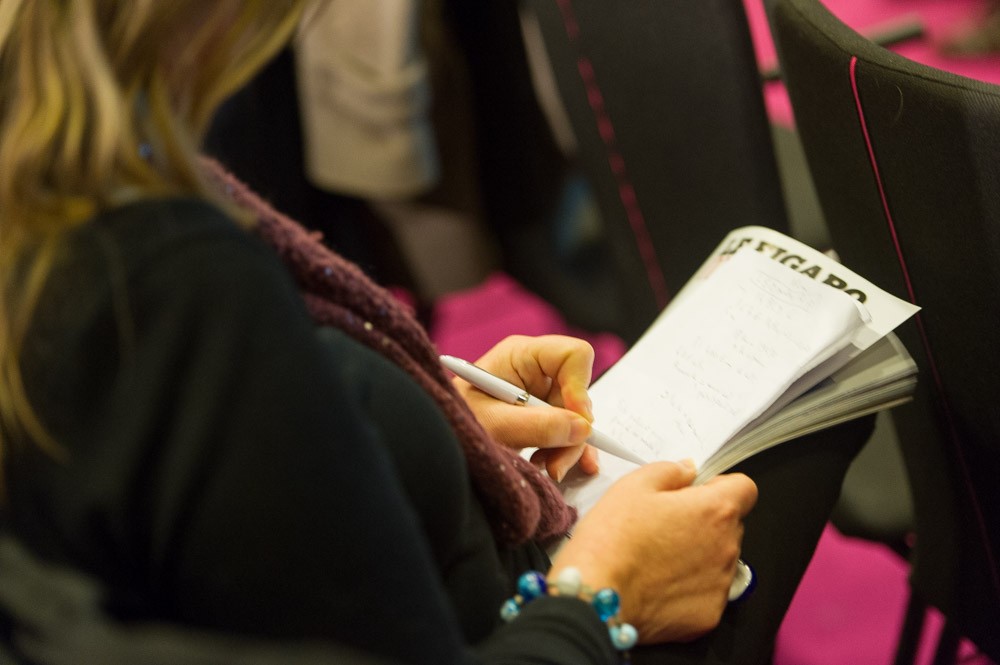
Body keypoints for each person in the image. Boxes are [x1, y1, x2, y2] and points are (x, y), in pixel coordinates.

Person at [0, 2, 872, 664]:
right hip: (544, 621)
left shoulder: (70, 188)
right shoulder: (169, 286)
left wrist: (405, 412)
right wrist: (606, 600)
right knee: (836, 398)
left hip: (496, 561)